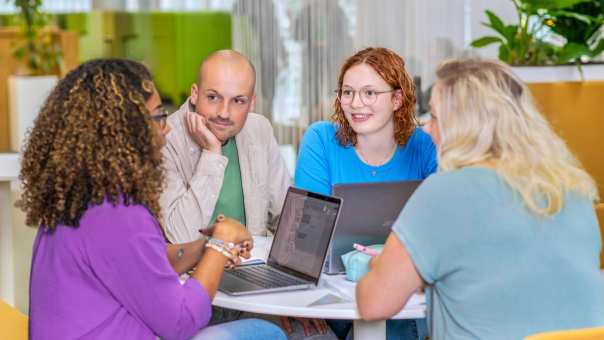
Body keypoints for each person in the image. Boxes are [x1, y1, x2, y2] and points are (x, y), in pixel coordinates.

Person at [21, 58, 286, 340]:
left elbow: (146, 263)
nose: (167, 127)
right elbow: (181, 322)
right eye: (159, 116)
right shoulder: (119, 212)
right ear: (126, 129)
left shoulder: (83, 198)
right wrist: (220, 246)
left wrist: (204, 248)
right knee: (264, 332)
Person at [356, 58, 604, 340]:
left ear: (464, 127)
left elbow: (373, 304)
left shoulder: (444, 193)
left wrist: (380, 265)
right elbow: (517, 282)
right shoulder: (574, 188)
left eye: (435, 117)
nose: (427, 128)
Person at [295, 47, 436, 340]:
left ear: (397, 99)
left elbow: (440, 229)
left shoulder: (423, 145)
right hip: (330, 293)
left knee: (395, 324)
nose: (356, 104)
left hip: (400, 294)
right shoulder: (321, 139)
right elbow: (308, 236)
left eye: (370, 93)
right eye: (348, 92)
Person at [160, 49, 290, 244]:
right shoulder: (164, 138)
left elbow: (286, 217)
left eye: (238, 101)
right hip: (192, 272)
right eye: (213, 97)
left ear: (251, 103)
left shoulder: (259, 129)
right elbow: (181, 238)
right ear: (195, 94)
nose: (224, 113)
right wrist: (212, 153)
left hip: (250, 267)